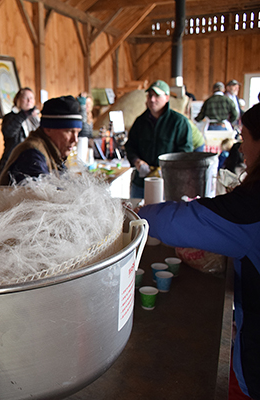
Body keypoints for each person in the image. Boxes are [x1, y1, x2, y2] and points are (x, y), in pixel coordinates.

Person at [138, 103, 260, 399]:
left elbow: (185, 220)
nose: (242, 149)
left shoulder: (251, 207)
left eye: (245, 138)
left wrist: (135, 214)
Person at [125, 80, 193, 198]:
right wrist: (137, 161)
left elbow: (185, 152)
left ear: (166, 97)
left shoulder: (179, 122)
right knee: (137, 213)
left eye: (157, 95)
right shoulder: (140, 121)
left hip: (169, 182)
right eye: (150, 95)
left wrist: (168, 168)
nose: (152, 99)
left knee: (165, 214)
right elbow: (130, 146)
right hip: (142, 182)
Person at [0, 96, 81, 185]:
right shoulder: (32, 156)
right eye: (69, 131)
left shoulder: (54, 152)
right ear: (49, 129)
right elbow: (45, 195)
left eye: (77, 132)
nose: (75, 139)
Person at [0, 88, 40, 179]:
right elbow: (9, 132)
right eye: (25, 98)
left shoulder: (36, 118)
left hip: (32, 161)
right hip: (13, 162)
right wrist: (24, 114)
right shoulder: (10, 117)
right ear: (17, 100)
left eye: (31, 98)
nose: (29, 101)